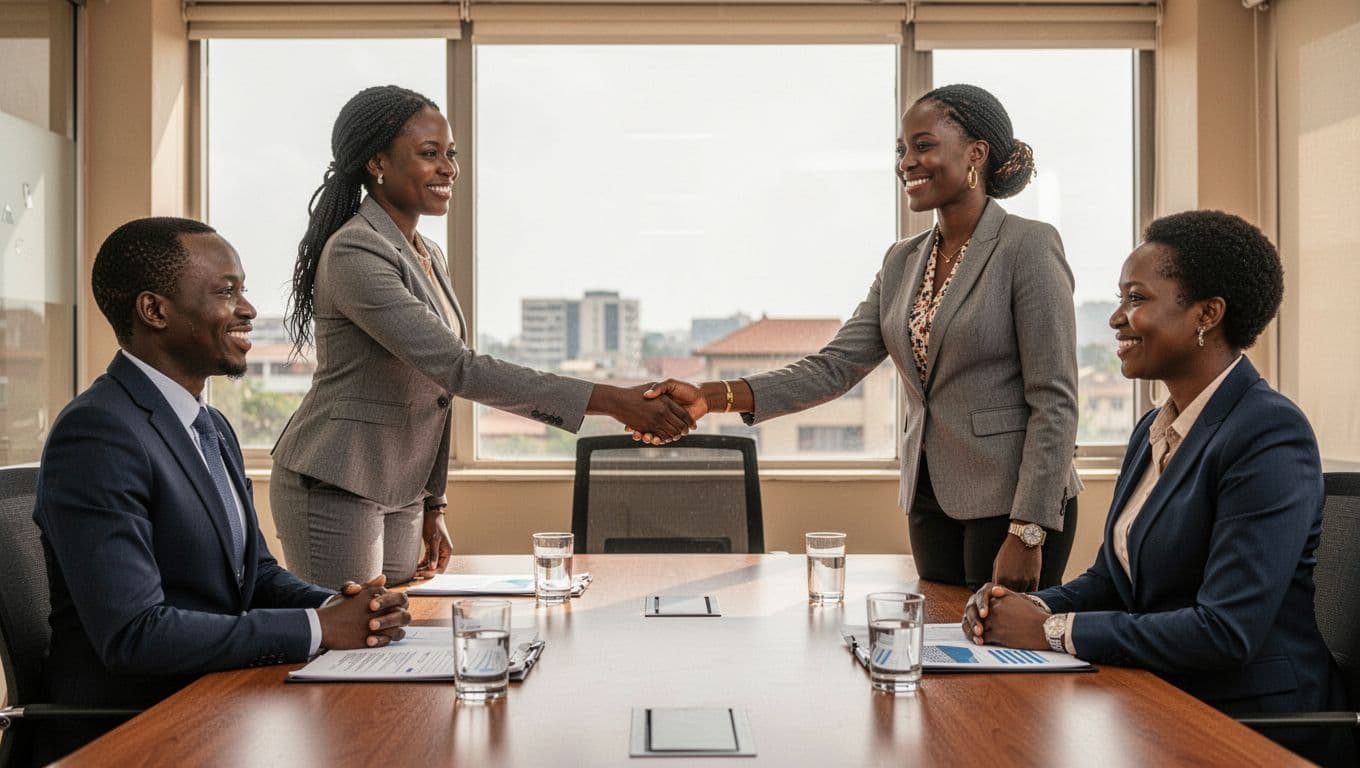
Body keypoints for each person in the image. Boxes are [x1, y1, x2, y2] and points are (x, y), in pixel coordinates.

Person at [644, 84, 1081, 591]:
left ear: (975, 154)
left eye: (923, 146)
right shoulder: (902, 261)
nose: (906, 162)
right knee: (936, 656)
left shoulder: (1028, 245)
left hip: (1013, 505)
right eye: (901, 150)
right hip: (928, 499)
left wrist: (1029, 530)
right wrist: (713, 397)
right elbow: (834, 367)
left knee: (1001, 660)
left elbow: (1055, 401)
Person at [963, 210, 1352, 766]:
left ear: (1207, 314)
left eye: (1136, 298)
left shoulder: (1268, 432)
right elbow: (1111, 580)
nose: (1117, 318)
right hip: (1158, 696)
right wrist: (1023, 606)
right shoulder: (1154, 428)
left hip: (1250, 724)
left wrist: (1051, 630)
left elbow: (1225, 632)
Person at [270, 85, 693, 590]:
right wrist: (614, 402)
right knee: (350, 645)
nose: (449, 168)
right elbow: (458, 368)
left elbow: (436, 394)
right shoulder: (355, 252)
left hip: (401, 487)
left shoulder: (425, 252)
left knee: (397, 631)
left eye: (450, 154)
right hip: (337, 476)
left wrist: (433, 501)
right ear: (377, 162)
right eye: (429, 155)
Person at [32, 217, 411, 764]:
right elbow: (136, 634)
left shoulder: (210, 426)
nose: (249, 309)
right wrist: (319, 627)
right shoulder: (98, 434)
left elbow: (252, 575)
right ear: (155, 310)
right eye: (226, 290)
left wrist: (343, 606)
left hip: (221, 704)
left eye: (244, 289)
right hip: (137, 732)